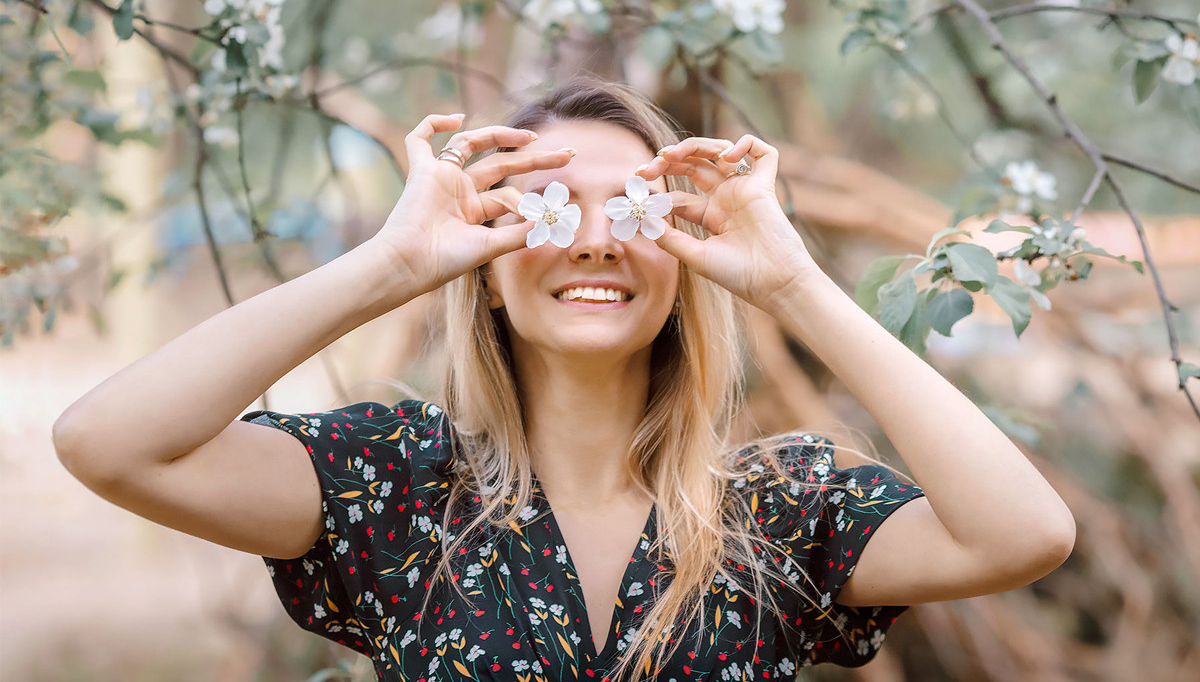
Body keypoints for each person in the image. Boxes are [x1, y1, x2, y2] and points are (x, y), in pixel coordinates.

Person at [53, 79, 1075, 681]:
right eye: (546, 207)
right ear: (488, 268)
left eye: (634, 212)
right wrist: (393, 265)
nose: (594, 240)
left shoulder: (781, 509)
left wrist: (793, 281)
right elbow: (108, 440)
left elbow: (1024, 530)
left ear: (683, 264)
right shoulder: (393, 489)